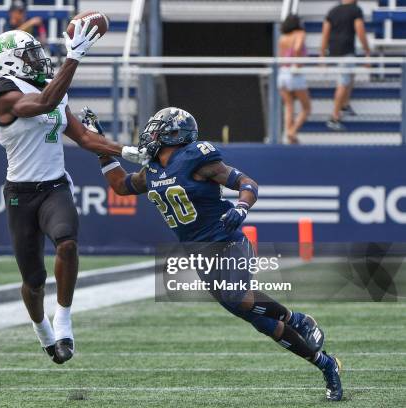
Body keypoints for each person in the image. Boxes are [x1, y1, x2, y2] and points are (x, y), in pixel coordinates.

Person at [90, 106, 343, 401]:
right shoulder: (154, 170)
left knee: (238, 296)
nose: (150, 133)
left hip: (229, 242)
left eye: (157, 128)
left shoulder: (196, 158)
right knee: (261, 322)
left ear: (174, 133)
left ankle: (298, 319)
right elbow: (121, 186)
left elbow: (247, 184)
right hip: (200, 256)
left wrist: (241, 207)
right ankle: (326, 365)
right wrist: (102, 152)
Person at [0, 26, 149, 364]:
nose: (37, 59)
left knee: (68, 243)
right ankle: (42, 329)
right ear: (7, 63)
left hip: (54, 186)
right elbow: (44, 103)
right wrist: (74, 56)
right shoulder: (3, 92)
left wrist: (130, 151)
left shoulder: (51, 88)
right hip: (20, 193)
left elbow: (86, 139)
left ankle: (64, 318)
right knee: (33, 280)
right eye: (28, 55)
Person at [321, 0, 371, 131]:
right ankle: (334, 117)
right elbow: (360, 31)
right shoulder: (356, 10)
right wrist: (367, 51)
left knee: (350, 75)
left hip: (334, 51)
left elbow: (325, 32)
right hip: (346, 51)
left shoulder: (332, 11)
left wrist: (322, 55)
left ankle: (345, 105)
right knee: (343, 83)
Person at [278, 15, 311, 144]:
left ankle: (288, 134)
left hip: (282, 73)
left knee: (289, 105)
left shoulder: (282, 37)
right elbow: (297, 48)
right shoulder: (300, 33)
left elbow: (281, 56)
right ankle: (292, 131)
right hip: (294, 73)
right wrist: (297, 63)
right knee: (306, 107)